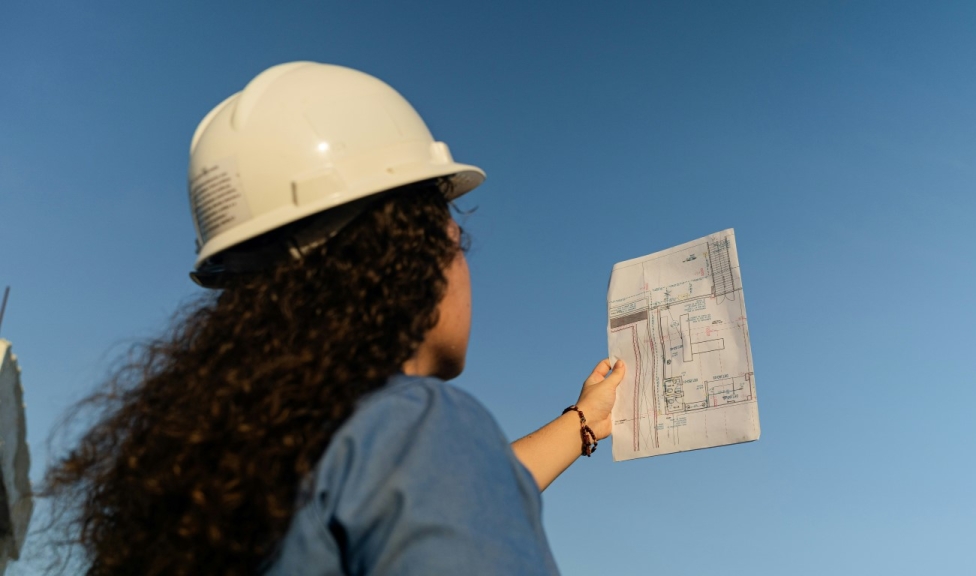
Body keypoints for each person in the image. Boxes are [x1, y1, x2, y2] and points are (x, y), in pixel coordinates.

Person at [44, 62, 625, 575]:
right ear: (410, 252)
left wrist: (582, 423)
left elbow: (442, 494)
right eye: (456, 237)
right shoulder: (417, 427)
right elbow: (427, 485)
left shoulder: (218, 463)